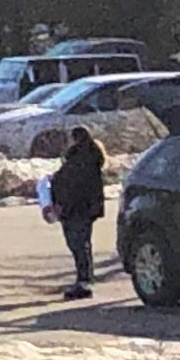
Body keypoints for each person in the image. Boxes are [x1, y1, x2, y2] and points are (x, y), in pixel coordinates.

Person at [48, 125, 107, 299]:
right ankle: (86, 277)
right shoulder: (92, 157)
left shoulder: (77, 159)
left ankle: (83, 280)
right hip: (87, 208)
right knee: (84, 243)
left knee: (77, 244)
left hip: (74, 208)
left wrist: (58, 199)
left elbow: (68, 185)